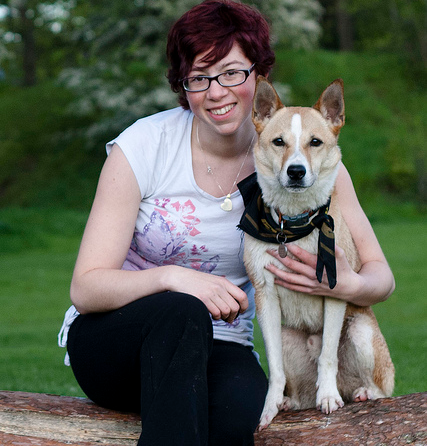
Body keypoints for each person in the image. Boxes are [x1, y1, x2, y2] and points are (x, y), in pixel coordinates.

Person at [58, 1, 395, 445]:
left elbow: (381, 278)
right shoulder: (143, 147)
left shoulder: (304, 162)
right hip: (117, 339)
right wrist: (176, 279)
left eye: (232, 72)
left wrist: (343, 285)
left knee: (242, 417)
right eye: (200, 77)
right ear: (184, 85)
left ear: (258, 74)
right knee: (183, 312)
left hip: (219, 343)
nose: (217, 91)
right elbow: (86, 287)